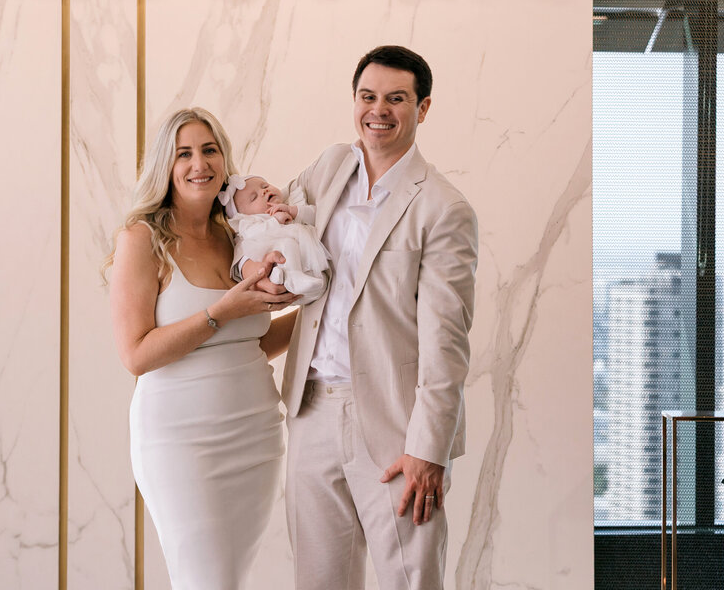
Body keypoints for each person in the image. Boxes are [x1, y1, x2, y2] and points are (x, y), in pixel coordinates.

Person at [250, 45, 479, 590]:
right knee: (318, 580)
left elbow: (447, 342)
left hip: (397, 425)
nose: (379, 110)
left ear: (422, 108)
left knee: (410, 580)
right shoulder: (328, 168)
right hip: (311, 409)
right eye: (368, 96)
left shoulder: (444, 207)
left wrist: (428, 449)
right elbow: (274, 225)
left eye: (396, 99)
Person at [105, 107, 299, 590]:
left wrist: (324, 311)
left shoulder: (239, 235)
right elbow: (135, 354)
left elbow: (251, 343)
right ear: (165, 166)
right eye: (184, 153)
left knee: (230, 579)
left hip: (256, 435)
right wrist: (221, 312)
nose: (199, 164)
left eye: (209, 150)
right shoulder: (142, 239)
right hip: (181, 442)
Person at [219, 173, 330, 303]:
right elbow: (253, 234)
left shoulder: (290, 202)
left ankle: (309, 284)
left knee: (322, 283)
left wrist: (293, 211)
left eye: (265, 186)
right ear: (244, 215)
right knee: (288, 244)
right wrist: (275, 221)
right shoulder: (251, 224)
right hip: (282, 264)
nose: (264, 191)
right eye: (254, 198)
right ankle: (289, 277)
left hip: (309, 262)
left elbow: (319, 216)